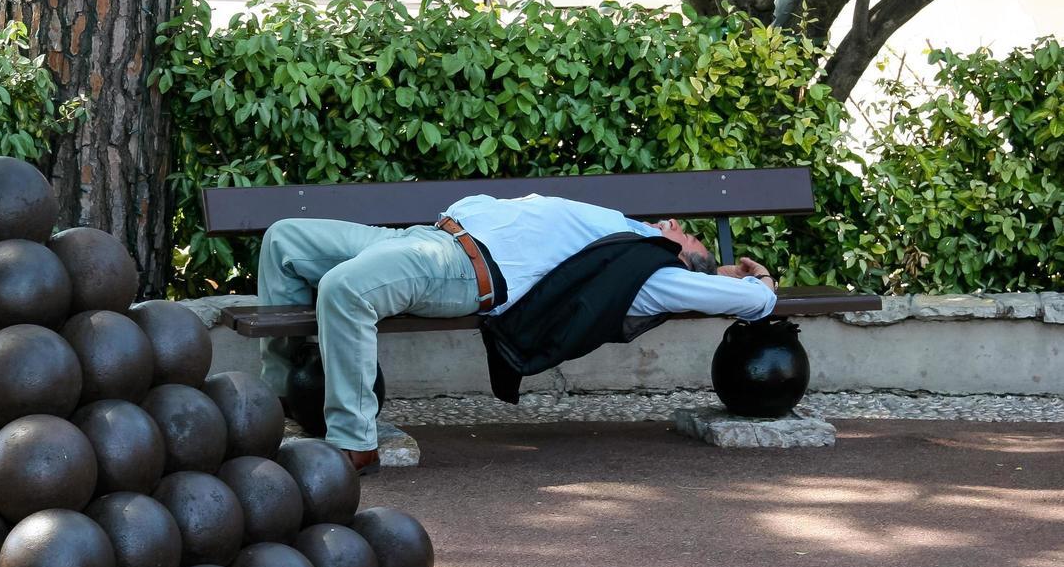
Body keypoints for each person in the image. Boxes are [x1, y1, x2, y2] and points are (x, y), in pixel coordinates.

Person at [258, 194, 778, 474]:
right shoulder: (628, 234)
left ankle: (354, 443)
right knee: (285, 239)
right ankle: (281, 394)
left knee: (345, 289)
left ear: (688, 258)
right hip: (424, 238)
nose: (672, 219)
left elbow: (752, 299)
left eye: (686, 232)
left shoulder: (649, 272)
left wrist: (751, 282)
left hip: (459, 268)